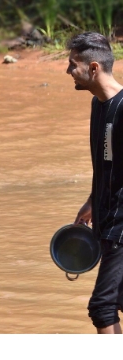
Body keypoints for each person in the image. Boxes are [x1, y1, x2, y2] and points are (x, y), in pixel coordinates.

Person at [67, 31, 123, 334]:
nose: (67, 71)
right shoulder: (98, 105)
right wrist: (92, 200)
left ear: (93, 68)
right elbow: (106, 162)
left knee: (102, 306)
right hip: (105, 219)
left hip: (121, 227)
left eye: (72, 64)